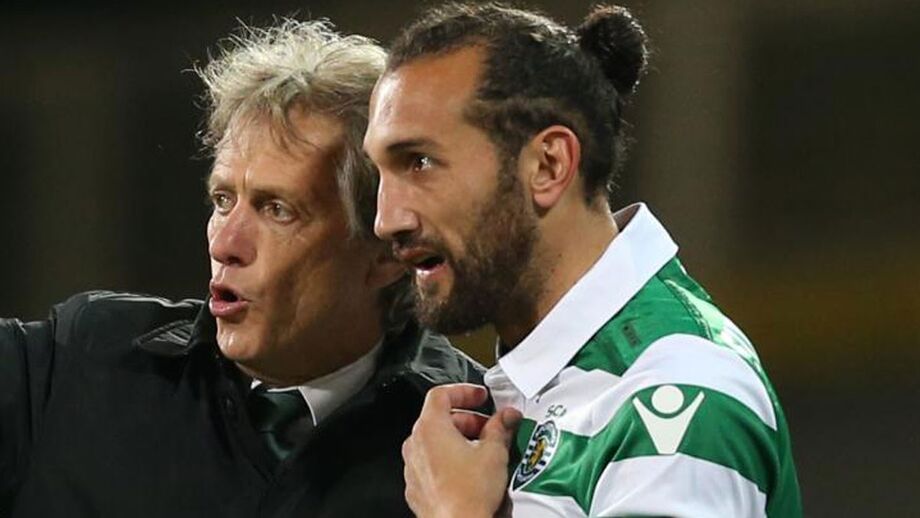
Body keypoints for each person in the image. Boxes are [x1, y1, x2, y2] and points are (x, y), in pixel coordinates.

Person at [0, 19, 483, 518]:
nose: (226, 244)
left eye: (277, 210)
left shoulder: (477, 435)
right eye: (223, 200)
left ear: (385, 252)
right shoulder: (77, 361)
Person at [364, 3, 802, 517]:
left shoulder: (674, 390)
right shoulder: (529, 389)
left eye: (419, 162)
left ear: (548, 166)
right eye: (381, 173)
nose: (386, 220)